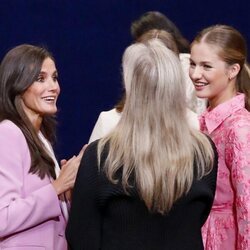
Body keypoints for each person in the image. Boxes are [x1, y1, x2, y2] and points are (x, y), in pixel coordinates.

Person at [66, 39, 218, 250]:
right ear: (176, 88)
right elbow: (197, 217)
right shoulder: (205, 153)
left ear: (132, 88)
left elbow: (80, 236)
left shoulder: (100, 156)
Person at [0, 44, 83, 250]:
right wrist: (57, 187)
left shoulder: (40, 138)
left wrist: (68, 196)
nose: (54, 87)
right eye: (41, 78)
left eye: (54, 78)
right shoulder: (8, 133)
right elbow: (3, 217)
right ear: (17, 84)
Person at [88, 11, 205, 143]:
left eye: (160, 64)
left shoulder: (195, 124)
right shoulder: (108, 122)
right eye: (147, 60)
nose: (154, 72)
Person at [189, 24, 250, 249]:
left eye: (206, 66)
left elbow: (248, 208)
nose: (196, 74)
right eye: (193, 64)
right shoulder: (205, 122)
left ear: (233, 70)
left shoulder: (240, 128)